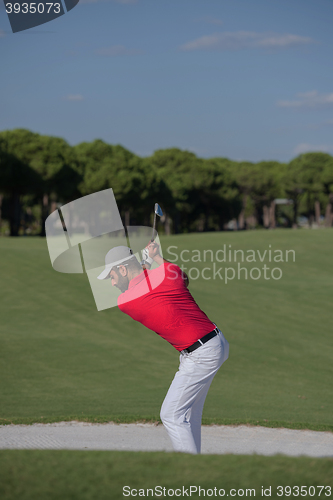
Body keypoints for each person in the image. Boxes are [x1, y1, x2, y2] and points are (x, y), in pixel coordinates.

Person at [97, 242, 229, 454]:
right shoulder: (168, 273)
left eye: (112, 276)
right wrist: (157, 258)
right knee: (189, 414)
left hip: (202, 353)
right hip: (215, 342)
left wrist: (147, 264)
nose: (112, 284)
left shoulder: (126, 301)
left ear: (122, 269)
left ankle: (191, 475)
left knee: (171, 414)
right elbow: (182, 277)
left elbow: (142, 288)